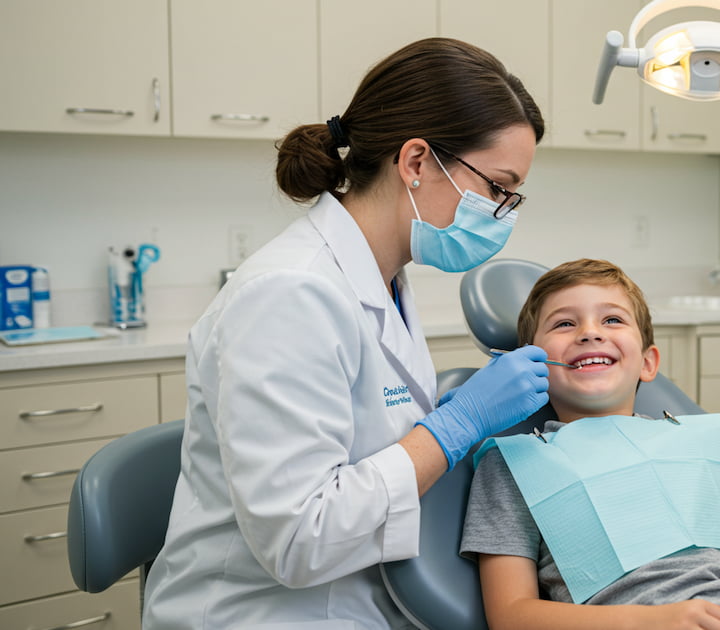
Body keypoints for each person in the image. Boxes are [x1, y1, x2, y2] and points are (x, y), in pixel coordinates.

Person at [142, 38, 552, 629]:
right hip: (265, 613)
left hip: (366, 597)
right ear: (415, 163)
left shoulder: (386, 279)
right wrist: (452, 430)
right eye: (497, 188)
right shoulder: (289, 294)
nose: (502, 213)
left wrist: (449, 430)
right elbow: (299, 541)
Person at [461, 259, 720, 630]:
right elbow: (511, 615)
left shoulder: (696, 446)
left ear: (648, 362)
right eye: (565, 323)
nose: (590, 333)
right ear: (534, 367)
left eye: (612, 320)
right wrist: (651, 621)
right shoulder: (516, 465)